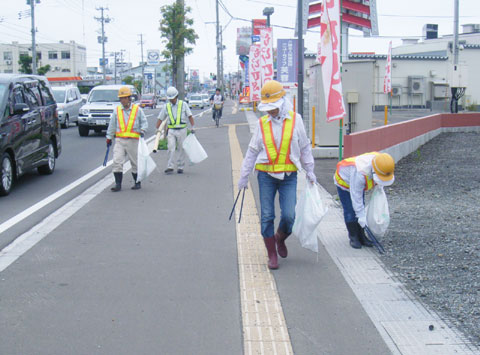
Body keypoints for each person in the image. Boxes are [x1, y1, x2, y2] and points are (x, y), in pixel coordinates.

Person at [237, 80, 317, 270]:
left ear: (282, 100)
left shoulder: (296, 120)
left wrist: (310, 170)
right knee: (267, 216)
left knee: (289, 216)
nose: (270, 111)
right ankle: (271, 253)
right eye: (268, 108)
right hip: (266, 176)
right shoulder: (262, 123)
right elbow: (252, 151)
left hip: (289, 176)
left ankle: (279, 238)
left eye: (273, 107)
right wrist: (244, 175)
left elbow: (305, 147)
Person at [334, 152, 395, 249]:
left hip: (356, 185)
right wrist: (361, 216)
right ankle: (353, 237)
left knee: (361, 205)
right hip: (344, 183)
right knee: (350, 210)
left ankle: (362, 236)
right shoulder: (360, 172)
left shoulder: (382, 162)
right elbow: (356, 196)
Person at [106, 86, 148, 192]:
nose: (122, 100)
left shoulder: (137, 110)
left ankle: (137, 182)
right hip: (120, 140)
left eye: (124, 98)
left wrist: (142, 131)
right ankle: (118, 184)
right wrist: (109, 137)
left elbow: (144, 122)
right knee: (117, 161)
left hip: (133, 140)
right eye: (121, 98)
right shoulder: (117, 111)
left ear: (129, 98)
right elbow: (112, 125)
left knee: (135, 162)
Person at [156, 86, 195, 174]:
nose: (171, 100)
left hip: (182, 129)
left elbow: (190, 116)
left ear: (176, 96)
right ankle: (170, 166)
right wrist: (157, 129)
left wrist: (193, 126)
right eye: (170, 99)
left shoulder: (183, 104)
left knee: (181, 148)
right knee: (171, 148)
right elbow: (160, 118)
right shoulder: (166, 106)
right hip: (171, 130)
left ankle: (180, 166)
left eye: (172, 98)